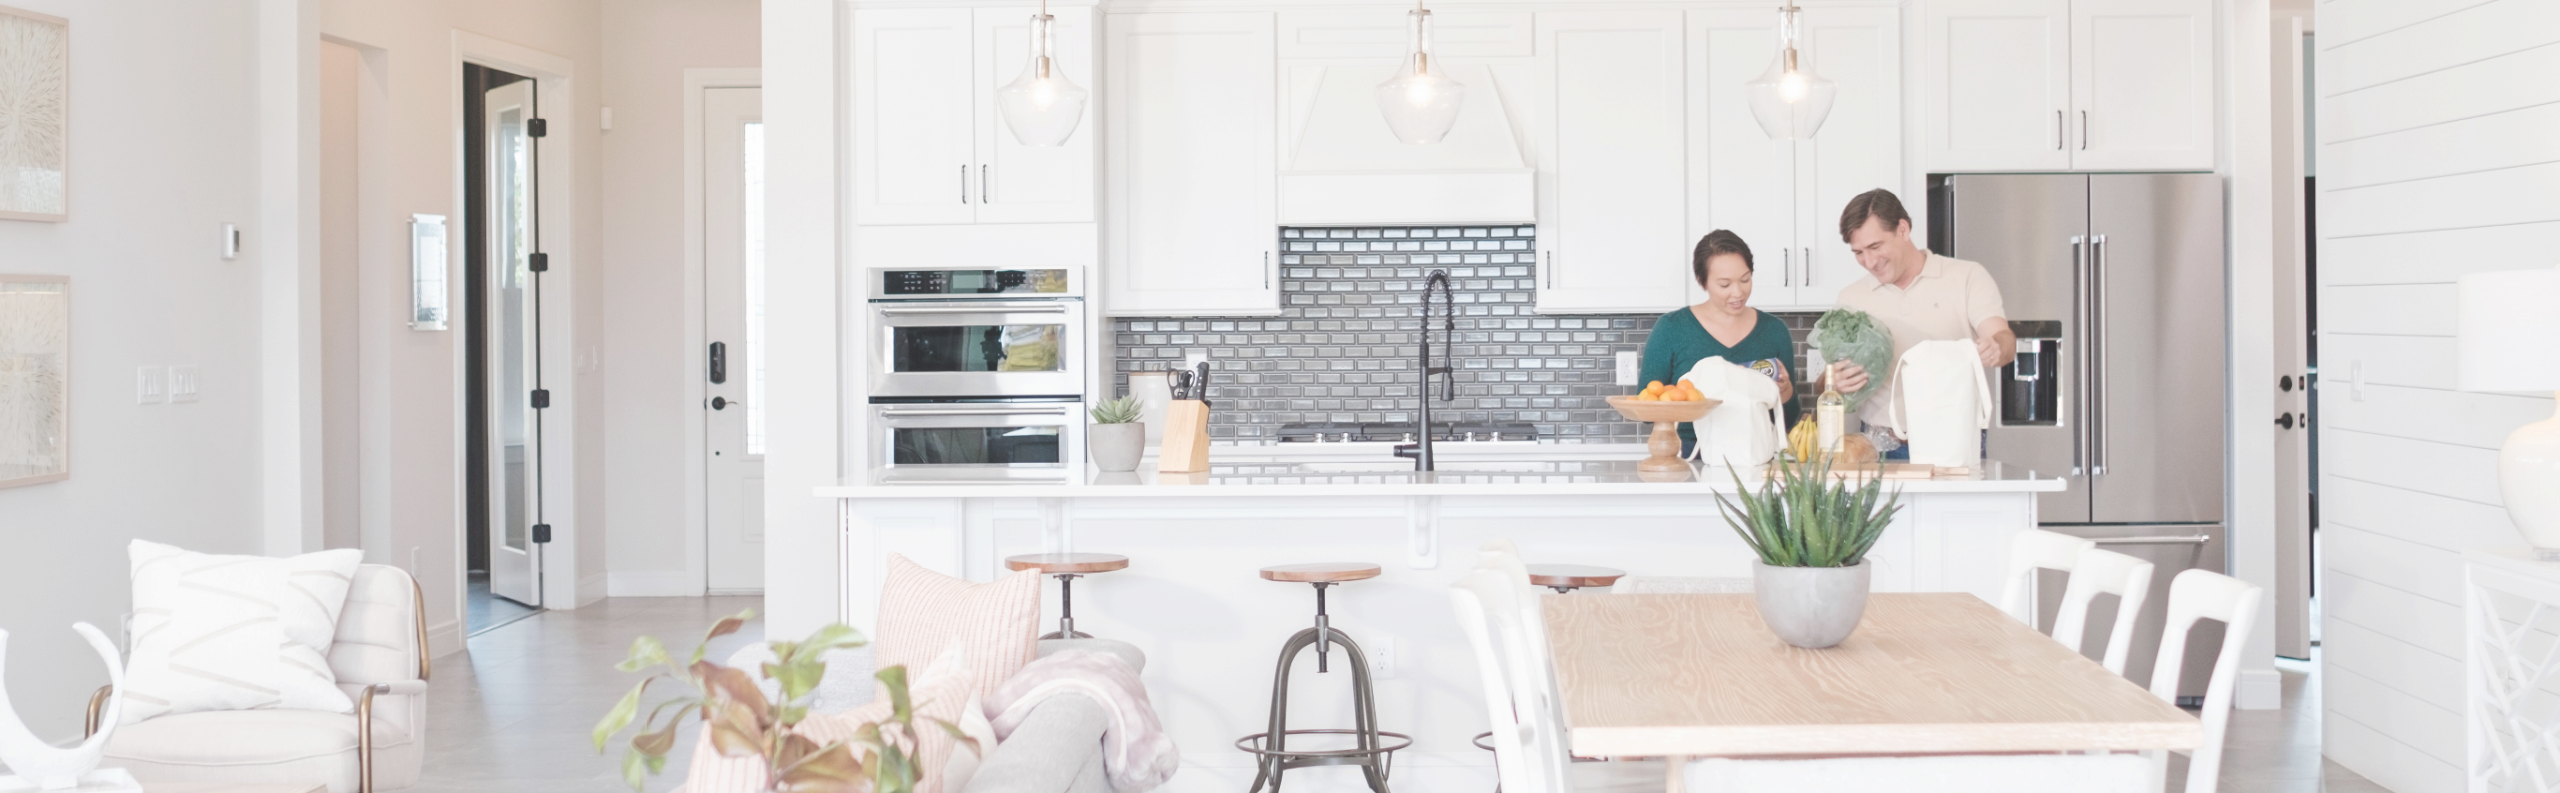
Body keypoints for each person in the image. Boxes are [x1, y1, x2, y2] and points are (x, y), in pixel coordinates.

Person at [1816, 188, 2015, 454]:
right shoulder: (1851, 298)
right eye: (1858, 252)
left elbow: (2005, 341)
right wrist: (1833, 382)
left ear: (1903, 229)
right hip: (1880, 445)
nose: (1869, 262)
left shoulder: (1966, 276)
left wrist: (1995, 347)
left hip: (1953, 440)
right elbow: (1824, 382)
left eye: (1875, 246)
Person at [1639, 230, 1799, 456]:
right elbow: (1646, 410)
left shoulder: (1774, 331)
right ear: (1701, 281)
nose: (1738, 292)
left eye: (1745, 279)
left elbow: (1789, 420)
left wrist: (1786, 392)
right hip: (1689, 458)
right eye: (1724, 285)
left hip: (1755, 457)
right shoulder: (1671, 329)